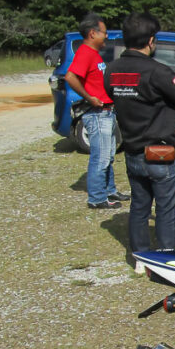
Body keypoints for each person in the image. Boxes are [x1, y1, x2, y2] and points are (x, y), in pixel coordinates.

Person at [104, 12, 175, 254]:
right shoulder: (158, 71)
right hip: (160, 150)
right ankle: (167, 258)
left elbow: (112, 93)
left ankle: (141, 256)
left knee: (139, 206)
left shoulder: (112, 70)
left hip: (132, 149)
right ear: (150, 40)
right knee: (166, 209)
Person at [65, 12, 127, 209]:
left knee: (108, 155)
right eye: (104, 32)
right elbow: (70, 77)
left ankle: (109, 190)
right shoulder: (85, 53)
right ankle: (97, 198)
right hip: (97, 114)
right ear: (92, 33)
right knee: (100, 157)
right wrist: (89, 97)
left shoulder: (94, 54)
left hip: (107, 112)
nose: (106, 36)